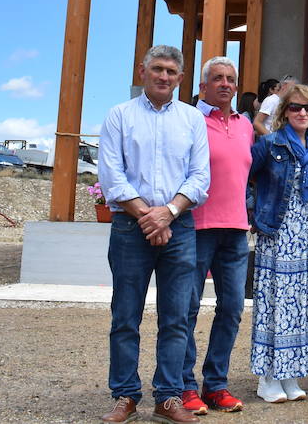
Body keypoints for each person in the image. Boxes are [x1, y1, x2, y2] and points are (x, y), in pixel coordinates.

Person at [97, 45, 210, 424]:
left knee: (177, 317)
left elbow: (199, 177)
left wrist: (169, 213)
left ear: (181, 79)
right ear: (142, 70)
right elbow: (112, 175)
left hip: (179, 227)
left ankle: (168, 397)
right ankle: (125, 396)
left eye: (171, 72)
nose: (164, 76)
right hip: (131, 227)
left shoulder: (192, 119)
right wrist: (149, 217)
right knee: (125, 316)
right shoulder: (119, 116)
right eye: (157, 69)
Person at [180, 57, 253, 413]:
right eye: (217, 78)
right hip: (196, 229)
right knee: (187, 308)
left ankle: (216, 384)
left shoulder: (245, 125)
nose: (225, 84)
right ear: (202, 86)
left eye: (231, 79)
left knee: (233, 308)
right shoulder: (189, 120)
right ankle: (183, 386)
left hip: (236, 231)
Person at [247, 84, 308, 402]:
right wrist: (253, 215)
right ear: (284, 111)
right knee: (275, 306)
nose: (302, 113)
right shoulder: (268, 144)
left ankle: (292, 374)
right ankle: (268, 377)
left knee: (303, 306)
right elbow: (246, 180)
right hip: (278, 235)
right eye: (295, 107)